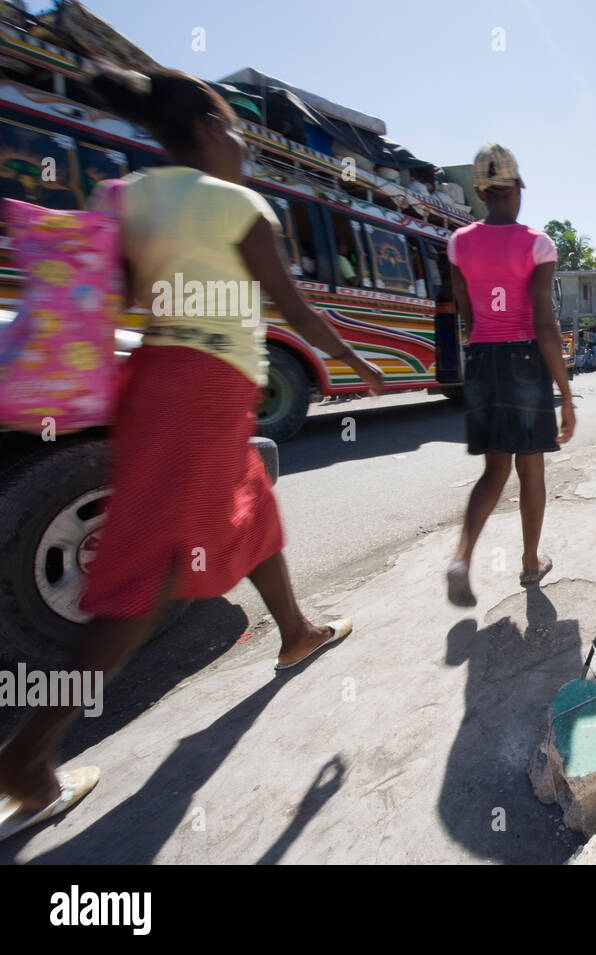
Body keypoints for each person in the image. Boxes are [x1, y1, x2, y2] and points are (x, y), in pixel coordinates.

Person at [0, 64, 385, 833]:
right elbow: (293, 305)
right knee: (155, 568)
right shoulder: (239, 203)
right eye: (238, 132)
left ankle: (296, 631)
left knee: (253, 507)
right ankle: (28, 755)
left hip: (156, 375)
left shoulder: (130, 196)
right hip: (206, 390)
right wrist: (359, 361)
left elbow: (117, 293)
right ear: (212, 132)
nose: (244, 147)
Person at [445, 144, 574, 607]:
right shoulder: (537, 243)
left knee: (494, 469)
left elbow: (467, 311)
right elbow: (544, 323)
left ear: (480, 191)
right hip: (524, 361)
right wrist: (566, 393)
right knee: (531, 465)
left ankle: (462, 556)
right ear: (517, 189)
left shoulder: (458, 244)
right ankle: (530, 561)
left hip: (481, 358)